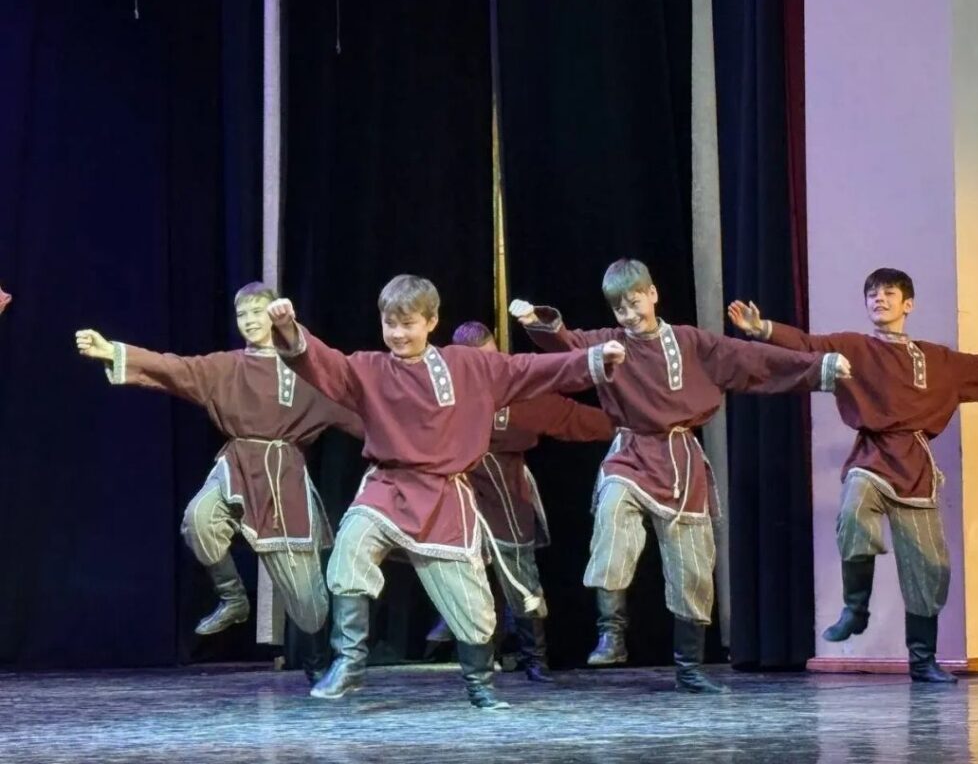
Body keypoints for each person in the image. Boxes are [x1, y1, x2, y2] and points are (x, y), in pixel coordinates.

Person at [268, 274, 625, 709]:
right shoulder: (369, 369)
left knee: (473, 612)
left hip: (443, 498)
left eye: (408, 324)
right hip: (388, 487)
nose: (398, 334)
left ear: (431, 321)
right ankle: (349, 660)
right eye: (390, 324)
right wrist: (288, 329)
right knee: (350, 548)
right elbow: (323, 364)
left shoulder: (468, 366)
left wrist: (593, 358)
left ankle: (480, 685)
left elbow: (531, 370)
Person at [511, 258, 850, 693]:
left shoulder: (690, 342)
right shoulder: (612, 343)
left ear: (653, 294)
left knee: (693, 568)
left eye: (635, 303)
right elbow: (569, 345)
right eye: (619, 309)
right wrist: (537, 322)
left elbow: (753, 359)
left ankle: (689, 669)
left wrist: (820, 368)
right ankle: (611, 631)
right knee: (612, 512)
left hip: (680, 462)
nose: (629, 315)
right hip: (631, 453)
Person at [728, 267, 978, 683]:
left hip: (915, 468)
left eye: (888, 293)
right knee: (854, 511)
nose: (879, 300)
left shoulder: (938, 360)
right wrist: (763, 329)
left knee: (928, 567)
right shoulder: (855, 347)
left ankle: (922, 660)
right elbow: (809, 345)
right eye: (872, 294)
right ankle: (856, 607)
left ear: (908, 304)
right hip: (871, 457)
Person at [75, 282, 363, 639]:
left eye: (257, 312)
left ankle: (336, 635)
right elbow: (173, 368)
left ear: (274, 315)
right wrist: (112, 351)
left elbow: (360, 413)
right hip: (237, 466)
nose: (249, 320)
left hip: (281, 480)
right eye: (242, 314)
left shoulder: (310, 372)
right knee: (199, 519)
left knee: (310, 615)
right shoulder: (227, 367)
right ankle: (233, 598)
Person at [424, 321, 616, 683]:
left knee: (520, 574)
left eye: (491, 360)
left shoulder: (519, 392)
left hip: (506, 493)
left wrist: (629, 423)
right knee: (461, 569)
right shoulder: (441, 394)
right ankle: (468, 647)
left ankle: (534, 659)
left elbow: (570, 417)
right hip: (460, 493)